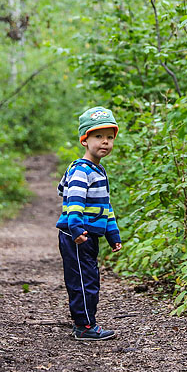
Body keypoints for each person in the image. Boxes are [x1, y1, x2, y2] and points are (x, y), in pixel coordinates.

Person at [56, 106, 123, 341]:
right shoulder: (81, 171)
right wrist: (75, 227)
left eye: (109, 137)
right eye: (98, 136)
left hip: (88, 235)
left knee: (90, 278)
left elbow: (105, 206)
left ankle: (83, 321)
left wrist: (112, 235)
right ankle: (84, 326)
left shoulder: (98, 170)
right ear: (85, 140)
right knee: (83, 280)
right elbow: (73, 201)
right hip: (77, 234)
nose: (105, 142)